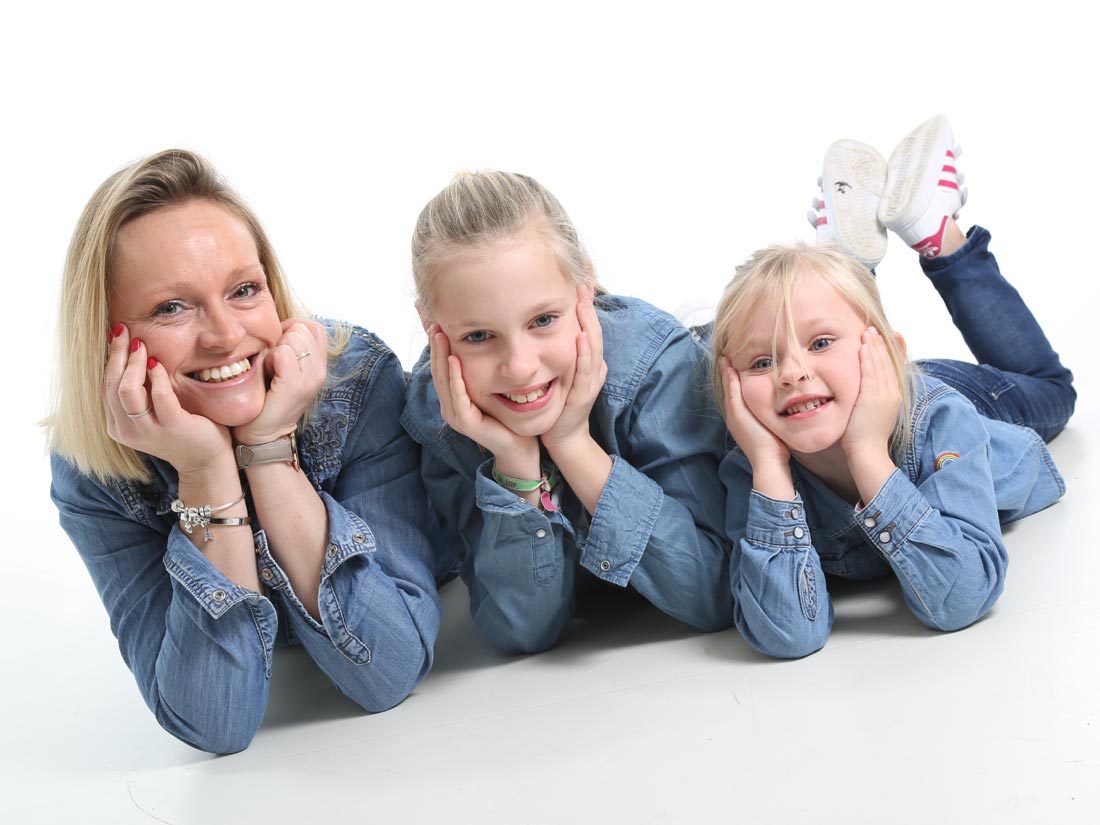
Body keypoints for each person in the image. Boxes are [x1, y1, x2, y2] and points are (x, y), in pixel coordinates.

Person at [45, 150, 453, 754]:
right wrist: (205, 471)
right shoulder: (91, 470)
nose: (226, 335)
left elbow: (387, 672)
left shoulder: (354, 379)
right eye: (171, 308)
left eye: (243, 290)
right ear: (108, 339)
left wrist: (266, 449)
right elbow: (214, 723)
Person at [712, 115, 1074, 659]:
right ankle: (839, 273)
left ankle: (937, 234)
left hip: (934, 394)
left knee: (1051, 390)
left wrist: (865, 454)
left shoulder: (941, 421)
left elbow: (963, 595)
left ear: (884, 352)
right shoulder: (753, 466)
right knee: (825, 337)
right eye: (763, 361)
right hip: (851, 385)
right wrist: (767, 465)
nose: (789, 374)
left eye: (817, 343)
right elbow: (787, 635)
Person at [400, 171, 731, 654]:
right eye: (478, 336)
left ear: (586, 287)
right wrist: (514, 465)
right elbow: (521, 630)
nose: (519, 366)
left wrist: (572, 442)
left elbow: (713, 592)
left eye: (542, 320)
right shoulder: (440, 411)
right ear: (432, 327)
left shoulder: (654, 365)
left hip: (681, 350)